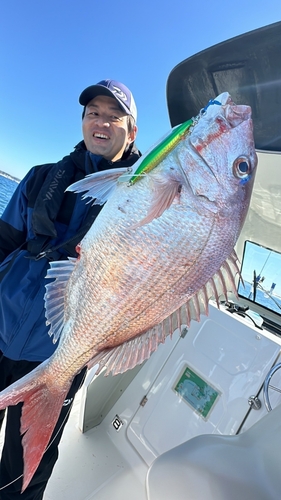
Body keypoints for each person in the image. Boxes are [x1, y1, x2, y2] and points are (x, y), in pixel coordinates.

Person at [0, 79, 141, 499]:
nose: (101, 122)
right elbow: (5, 242)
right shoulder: (42, 177)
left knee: (24, 469)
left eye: (113, 116)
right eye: (93, 113)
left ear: (131, 131)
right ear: (82, 121)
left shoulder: (140, 194)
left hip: (59, 352)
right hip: (1, 323)